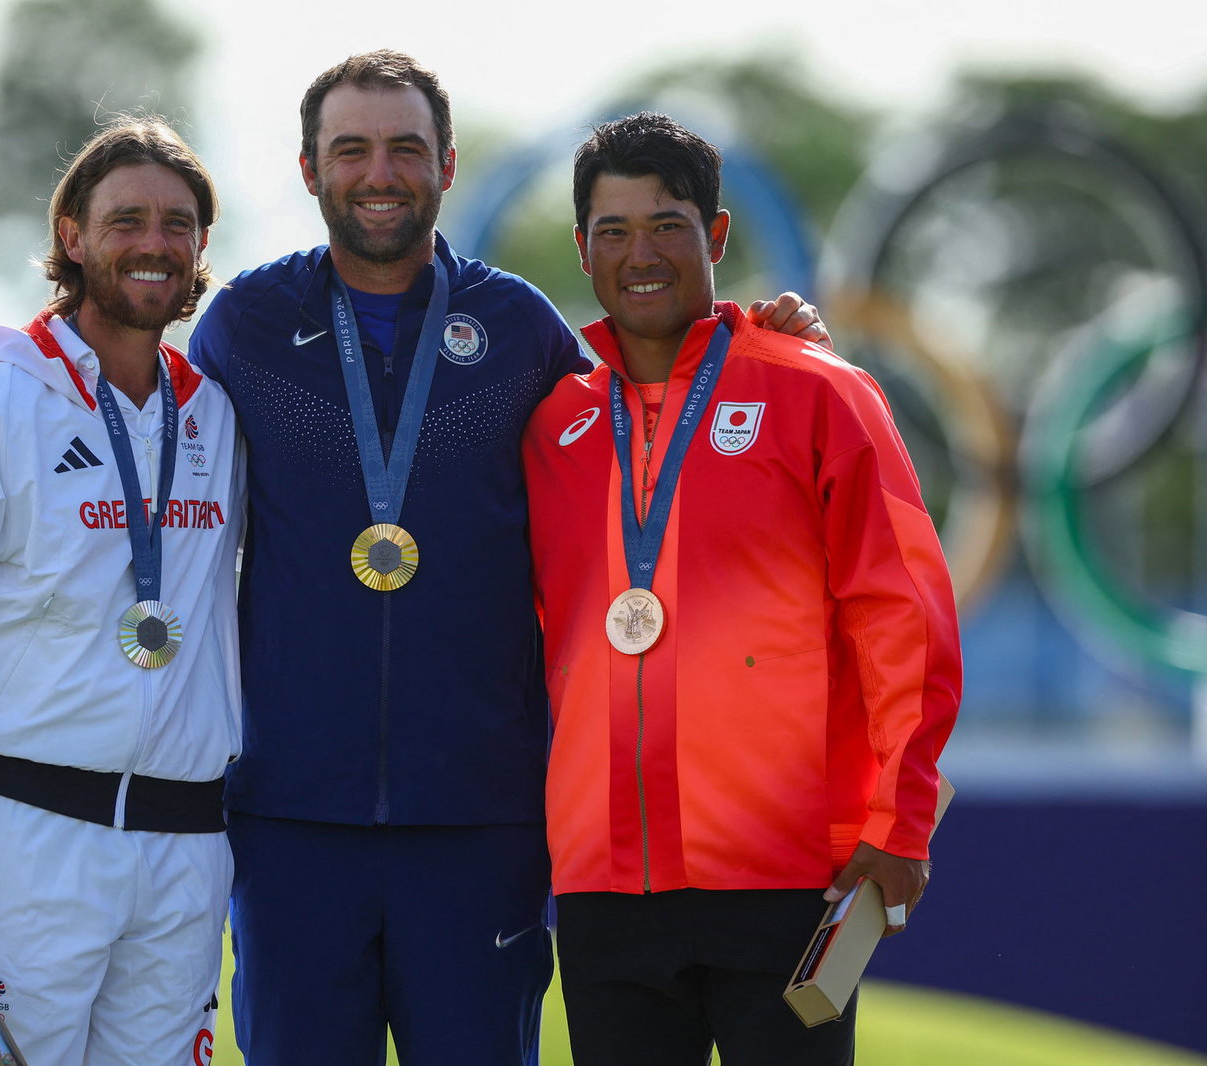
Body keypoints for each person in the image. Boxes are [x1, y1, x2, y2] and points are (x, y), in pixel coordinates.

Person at [189, 51, 828, 1065]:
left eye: (405, 148)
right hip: (288, 816)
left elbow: (650, 405)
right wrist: (3, 392)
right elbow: (149, 444)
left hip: (482, 824)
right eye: (349, 149)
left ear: (446, 161)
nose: (379, 172)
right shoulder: (247, 327)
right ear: (309, 171)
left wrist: (759, 334)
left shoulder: (517, 325)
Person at [521, 111, 962, 1066]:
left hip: (785, 877)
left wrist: (899, 819)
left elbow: (906, 617)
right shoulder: (546, 418)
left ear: (716, 237)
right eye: (613, 232)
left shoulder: (816, 391)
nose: (642, 254)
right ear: (582, 248)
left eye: (668, 225)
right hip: (604, 889)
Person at [0, 116, 245, 1066]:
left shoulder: (215, 413)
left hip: (186, 842)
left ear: (200, 247)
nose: (155, 243)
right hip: (31, 832)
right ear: (72, 235)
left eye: (179, 223)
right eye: (127, 220)